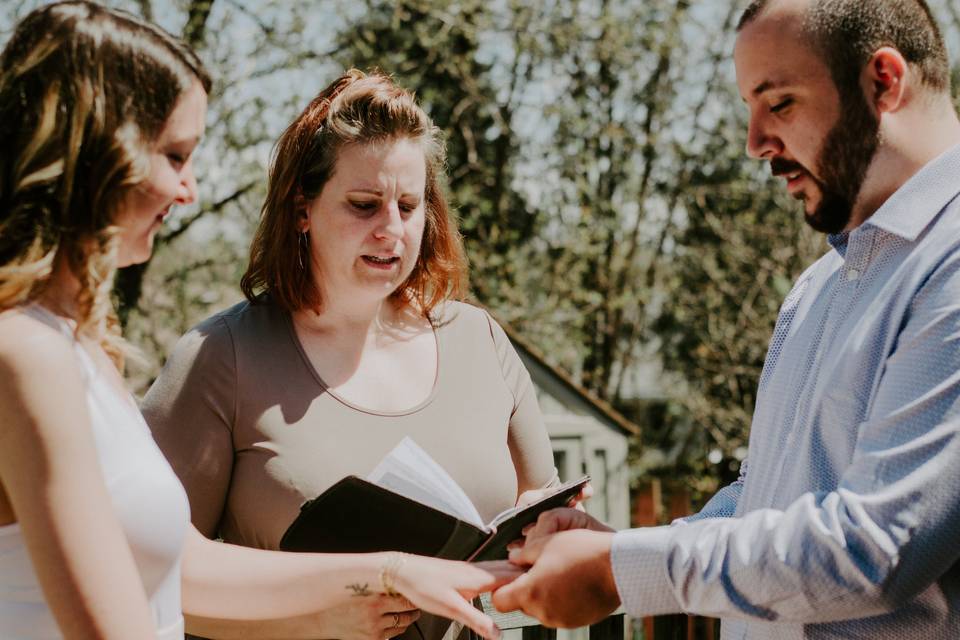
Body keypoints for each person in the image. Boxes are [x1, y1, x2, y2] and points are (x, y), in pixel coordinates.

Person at [0, 4, 520, 639]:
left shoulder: (79, 345)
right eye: (173, 155)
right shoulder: (26, 356)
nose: (190, 189)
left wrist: (388, 573)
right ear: (93, 156)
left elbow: (183, 567)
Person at [490, 0, 960, 638]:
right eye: (749, 109)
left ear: (883, 81)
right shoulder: (820, 285)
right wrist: (622, 545)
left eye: (780, 103)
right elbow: (770, 501)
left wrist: (616, 571)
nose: (755, 143)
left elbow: (878, 546)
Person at [141, 69, 564, 640]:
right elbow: (142, 578)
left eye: (409, 206)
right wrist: (308, 617)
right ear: (301, 210)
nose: (392, 229)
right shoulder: (221, 357)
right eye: (365, 205)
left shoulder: (480, 340)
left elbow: (544, 524)